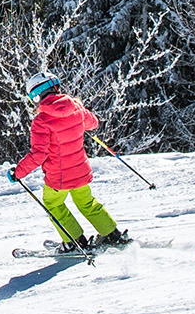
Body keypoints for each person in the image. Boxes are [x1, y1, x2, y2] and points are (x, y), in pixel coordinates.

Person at [11, 74, 128, 251]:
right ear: (56, 87)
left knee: (53, 204)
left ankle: (75, 241)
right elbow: (93, 123)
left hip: (58, 177)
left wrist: (17, 172)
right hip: (80, 171)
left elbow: (38, 155)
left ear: (37, 96)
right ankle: (112, 235)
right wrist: (77, 114)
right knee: (87, 203)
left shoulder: (41, 121)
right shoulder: (77, 109)